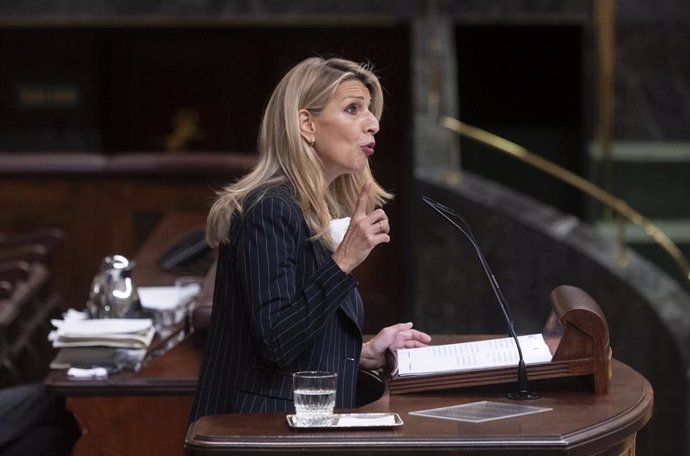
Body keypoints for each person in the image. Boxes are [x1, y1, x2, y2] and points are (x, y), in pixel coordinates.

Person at [189, 56, 431, 420]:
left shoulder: (307, 209)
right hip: (257, 430)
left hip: (295, 425)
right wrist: (345, 260)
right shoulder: (269, 209)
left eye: (371, 111)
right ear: (307, 124)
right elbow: (276, 342)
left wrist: (362, 352)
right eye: (354, 109)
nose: (374, 124)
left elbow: (300, 328)